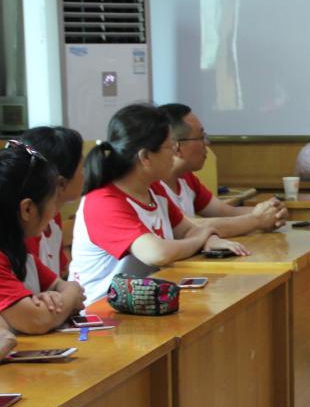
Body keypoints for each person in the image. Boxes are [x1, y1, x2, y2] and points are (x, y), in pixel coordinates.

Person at [69, 103, 249, 304]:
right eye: (169, 147)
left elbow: (187, 230)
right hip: (100, 314)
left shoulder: (153, 189)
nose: (174, 154)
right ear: (145, 156)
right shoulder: (103, 201)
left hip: (145, 303)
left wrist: (209, 239)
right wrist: (201, 238)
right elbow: (157, 253)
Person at [155, 103, 287, 234]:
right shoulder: (153, 184)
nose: (207, 143)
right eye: (201, 137)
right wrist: (257, 221)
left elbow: (228, 212)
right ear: (176, 146)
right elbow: (189, 226)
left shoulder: (186, 177)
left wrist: (272, 212)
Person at [0, 141, 86, 334]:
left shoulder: (18, 250)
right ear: (27, 209)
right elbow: (36, 320)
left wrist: (56, 299)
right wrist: (68, 298)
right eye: (52, 201)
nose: (55, 211)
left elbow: (63, 285)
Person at [19, 126, 84, 279]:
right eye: (82, 168)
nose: (85, 175)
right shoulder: (28, 230)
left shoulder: (53, 217)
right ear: (61, 183)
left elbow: (57, 276)